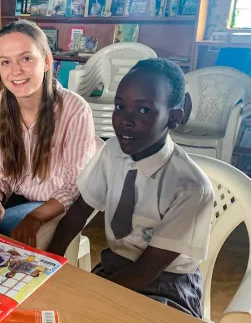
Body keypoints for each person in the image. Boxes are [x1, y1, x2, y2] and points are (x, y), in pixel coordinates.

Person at [47, 58, 214, 318]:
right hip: (116, 267)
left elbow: (146, 271)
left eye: (144, 110)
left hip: (167, 286)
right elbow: (79, 211)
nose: (125, 120)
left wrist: (89, 296)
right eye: (120, 106)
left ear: (173, 118)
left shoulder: (192, 189)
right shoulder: (113, 150)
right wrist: (48, 263)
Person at [0, 20, 96, 250]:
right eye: (5, 61)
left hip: (60, 204)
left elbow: (75, 184)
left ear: (47, 61)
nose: (16, 70)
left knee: (4, 244)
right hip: (16, 199)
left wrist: (35, 217)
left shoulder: (74, 109)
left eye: (26, 58)